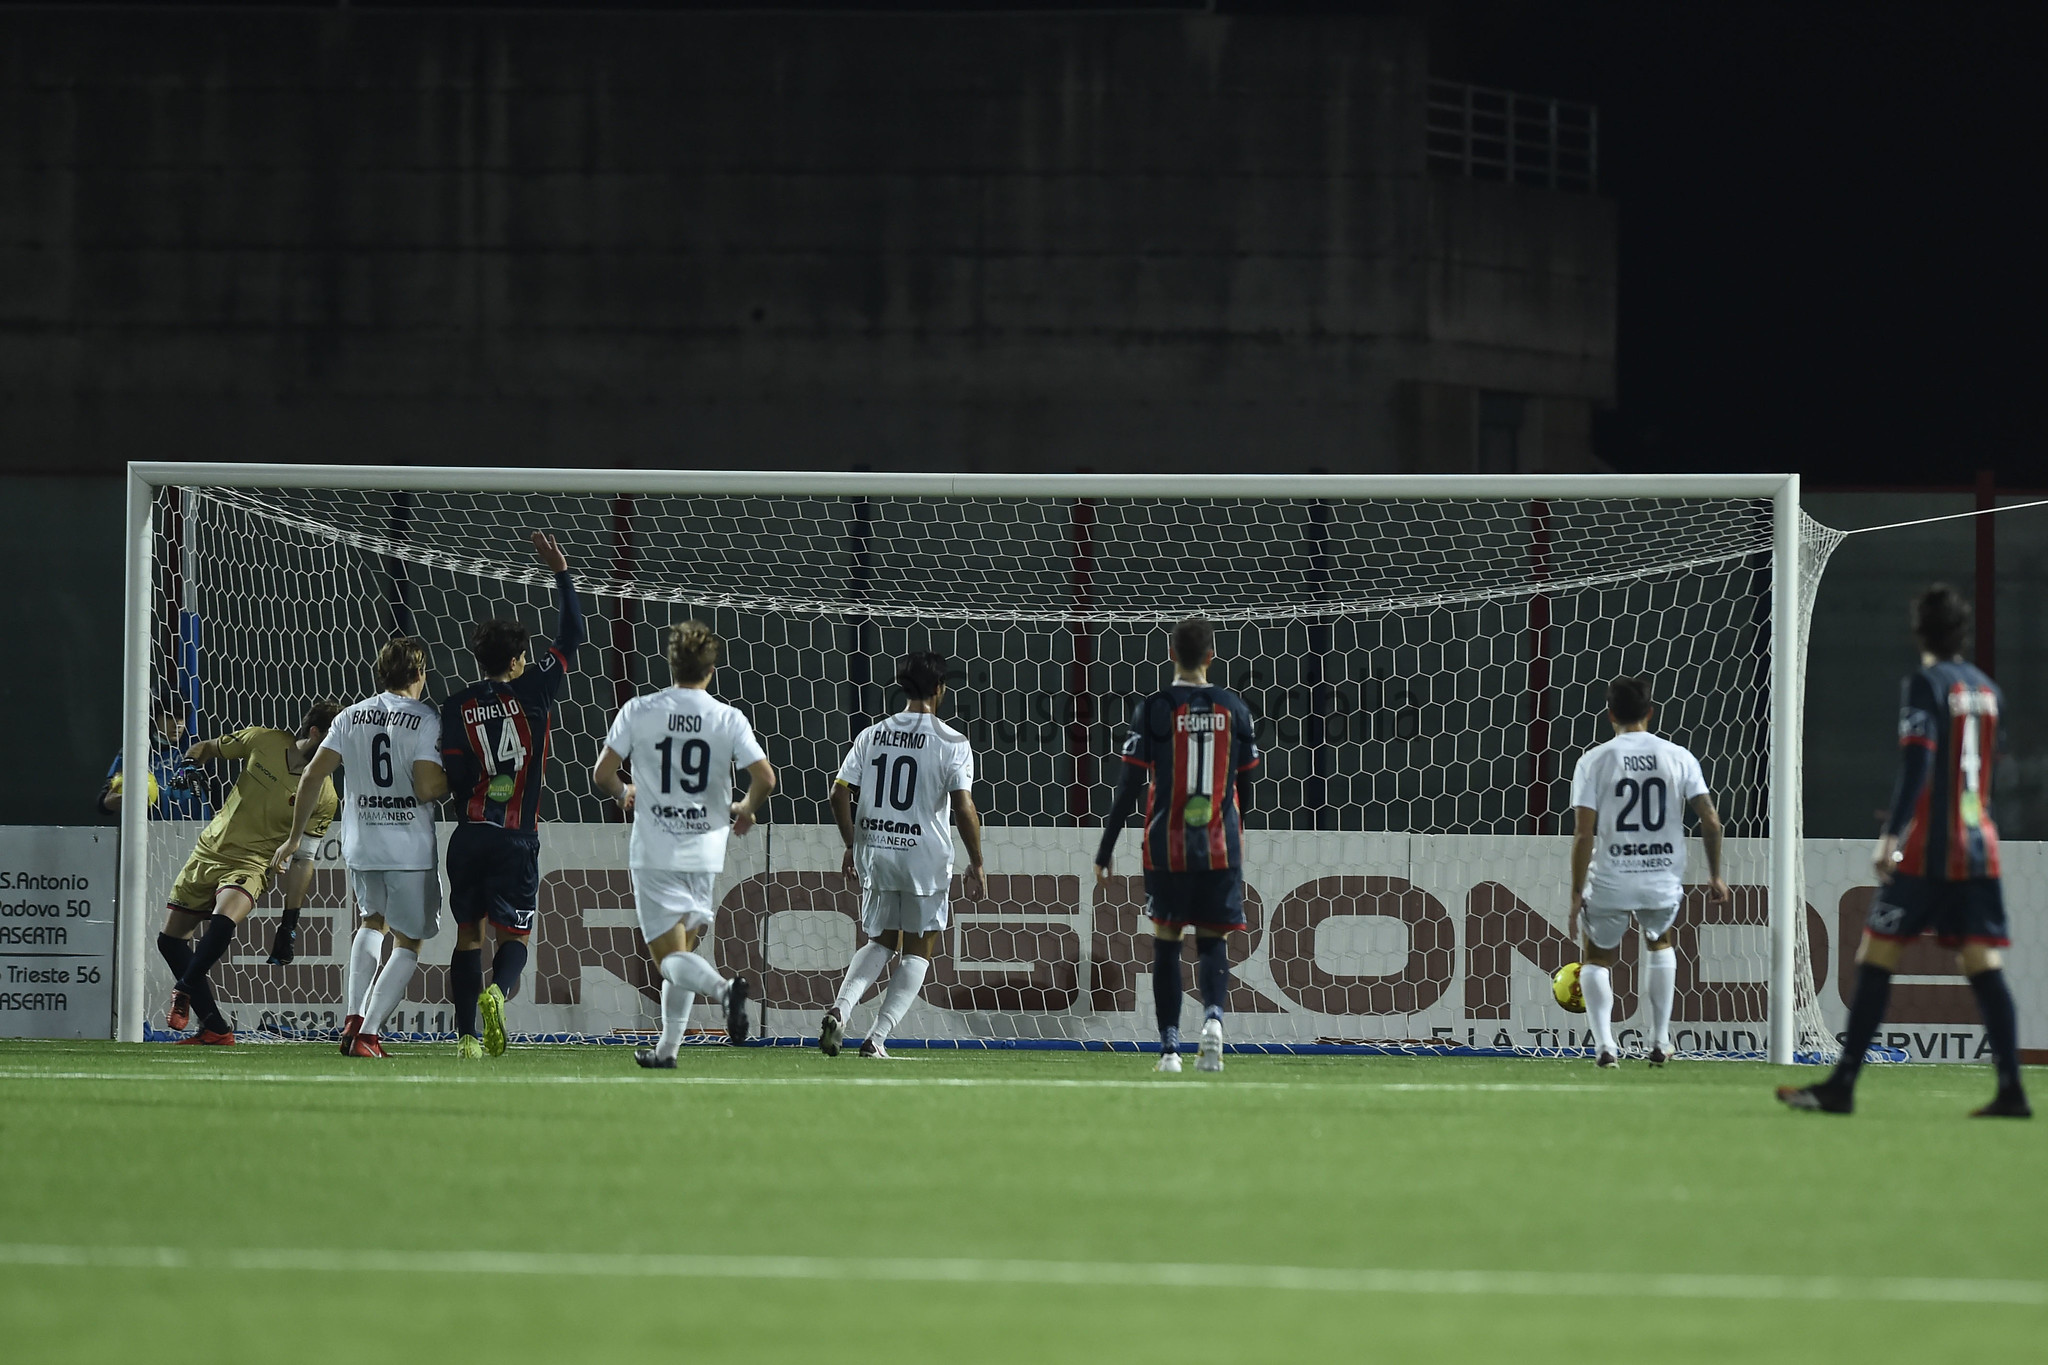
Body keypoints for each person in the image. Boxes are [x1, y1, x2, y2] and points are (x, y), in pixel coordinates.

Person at [1779, 586, 2030, 1118]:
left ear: (1919, 631)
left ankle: (1842, 1086)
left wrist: (1891, 836)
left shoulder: (1924, 684)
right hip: (1980, 843)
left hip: (1931, 848)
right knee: (1983, 960)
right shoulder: (1988, 690)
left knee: (1877, 953)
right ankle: (2012, 1090)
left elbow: (1918, 763)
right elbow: (1993, 766)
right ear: (1962, 631)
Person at [592, 621, 774, 1068]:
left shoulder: (640, 710)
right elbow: (766, 778)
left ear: (671, 663)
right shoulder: (727, 717)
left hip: (656, 847)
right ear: (711, 670)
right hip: (705, 849)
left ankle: (724, 991)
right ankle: (667, 1051)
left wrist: (623, 793)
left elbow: (602, 773)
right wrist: (747, 808)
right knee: (684, 952)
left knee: (669, 960)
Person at [439, 532, 585, 1060]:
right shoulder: (536, 689)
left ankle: (466, 1037)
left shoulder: (454, 707)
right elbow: (573, 635)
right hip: (516, 839)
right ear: (519, 659)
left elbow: (453, 779)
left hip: (469, 836)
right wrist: (561, 571)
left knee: (466, 938)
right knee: (515, 940)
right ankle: (498, 993)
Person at [1096, 616, 1259, 1074]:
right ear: (1211, 656)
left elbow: (1128, 786)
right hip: (1220, 845)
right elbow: (1250, 784)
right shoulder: (1235, 708)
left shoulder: (1155, 708)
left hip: (1166, 848)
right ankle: (1213, 1021)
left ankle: (1169, 1051)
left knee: (1166, 943)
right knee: (1212, 941)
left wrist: (1105, 849)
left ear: (1171, 654)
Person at [274, 638, 448, 1058]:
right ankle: (368, 1033)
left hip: (363, 842)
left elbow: (312, 775)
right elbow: (427, 786)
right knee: (409, 943)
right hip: (408, 848)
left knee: (372, 923)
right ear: (419, 674)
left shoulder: (350, 716)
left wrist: (296, 837)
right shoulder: (426, 719)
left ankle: (352, 1017)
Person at [819, 652, 985, 1060]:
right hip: (923, 859)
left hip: (876, 851)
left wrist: (851, 843)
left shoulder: (872, 734)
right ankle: (876, 1038)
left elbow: (838, 792)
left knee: (878, 941)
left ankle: (840, 1009)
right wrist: (977, 861)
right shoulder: (953, 741)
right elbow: (963, 807)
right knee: (917, 949)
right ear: (941, 689)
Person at [157, 701, 344, 1044]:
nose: (341, 749)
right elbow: (206, 748)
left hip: (253, 864)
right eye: (337, 737)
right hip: (210, 848)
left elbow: (303, 861)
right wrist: (188, 763)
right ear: (315, 733)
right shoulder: (265, 740)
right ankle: (214, 1026)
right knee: (169, 941)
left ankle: (183, 988)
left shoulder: (326, 795)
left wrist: (289, 924)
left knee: (223, 919)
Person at [1566, 675, 1729, 1069]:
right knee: (1660, 942)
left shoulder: (1593, 760)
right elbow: (1711, 821)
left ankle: (1605, 1046)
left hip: (1612, 876)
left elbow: (1583, 832)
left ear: (1610, 715)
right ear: (1650, 712)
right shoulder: (1679, 756)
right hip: (1661, 876)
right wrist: (1715, 874)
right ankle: (1659, 1040)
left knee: (1596, 957)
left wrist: (1575, 893)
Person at [99, 690, 213, 823]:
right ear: (154, 717)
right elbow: (104, 800)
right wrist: (108, 803)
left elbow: (216, 788)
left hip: (198, 832)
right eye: (170, 717)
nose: (177, 725)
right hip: (155, 835)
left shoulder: (195, 748)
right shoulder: (133, 752)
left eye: (181, 718)